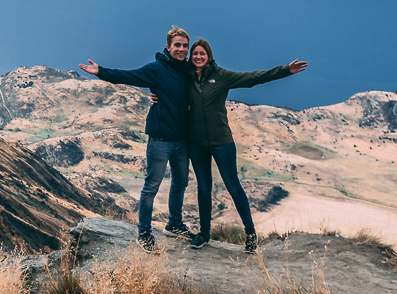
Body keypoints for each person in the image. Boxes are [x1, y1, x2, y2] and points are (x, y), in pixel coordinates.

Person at [183, 38, 307, 254]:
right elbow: (166, 83)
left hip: (222, 142)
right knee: (203, 187)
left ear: (209, 56)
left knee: (233, 186)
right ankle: (204, 234)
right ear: (191, 57)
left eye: (202, 54)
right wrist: (155, 95)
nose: (198, 57)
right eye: (195, 54)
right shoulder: (186, 76)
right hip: (197, 144)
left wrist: (285, 70)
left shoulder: (221, 76)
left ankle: (250, 234)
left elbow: (254, 78)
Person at [79, 26, 193, 251]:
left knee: (181, 182)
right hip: (160, 139)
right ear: (168, 47)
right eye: (177, 45)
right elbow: (128, 76)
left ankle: (175, 224)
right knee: (151, 187)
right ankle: (144, 233)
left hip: (182, 140)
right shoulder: (156, 70)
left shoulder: (189, 70)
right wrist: (100, 71)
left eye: (185, 46)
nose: (181, 49)